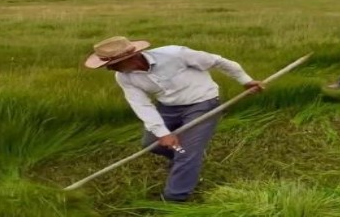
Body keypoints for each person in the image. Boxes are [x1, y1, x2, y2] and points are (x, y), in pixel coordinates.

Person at [84, 36, 263, 202]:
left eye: (113, 63)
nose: (108, 68)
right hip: (169, 107)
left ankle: (175, 199)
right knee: (151, 143)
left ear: (131, 57)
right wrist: (162, 133)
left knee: (186, 151)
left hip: (202, 102)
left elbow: (217, 61)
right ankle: (187, 163)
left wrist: (245, 80)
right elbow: (141, 105)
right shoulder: (123, 77)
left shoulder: (175, 54)